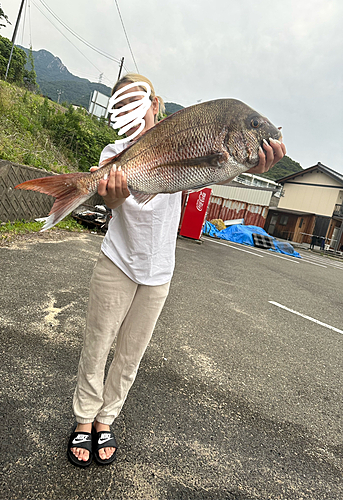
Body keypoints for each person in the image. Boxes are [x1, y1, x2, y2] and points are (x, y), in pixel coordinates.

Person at [67, 73, 287, 467]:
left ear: (155, 105)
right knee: (98, 345)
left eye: (137, 99)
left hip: (159, 272)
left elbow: (210, 170)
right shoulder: (112, 154)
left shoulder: (186, 135)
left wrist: (246, 162)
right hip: (117, 261)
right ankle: (83, 419)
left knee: (130, 355)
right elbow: (113, 207)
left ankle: (105, 420)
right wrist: (109, 197)